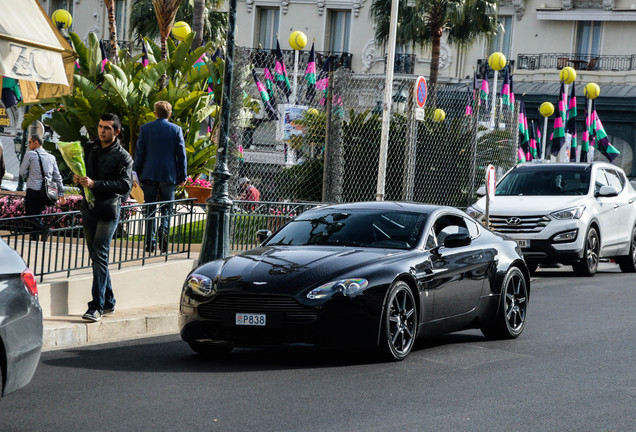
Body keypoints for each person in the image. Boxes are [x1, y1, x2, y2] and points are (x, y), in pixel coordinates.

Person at [74, 113, 133, 322]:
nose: (102, 130)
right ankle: (109, 301)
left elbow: (125, 186)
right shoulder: (90, 148)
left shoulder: (123, 157)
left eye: (107, 127)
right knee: (97, 257)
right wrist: (77, 179)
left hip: (108, 211)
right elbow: (82, 174)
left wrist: (95, 184)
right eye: (100, 126)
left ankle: (95, 306)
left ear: (116, 131)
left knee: (99, 253)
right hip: (89, 208)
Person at [134, 101, 186, 253]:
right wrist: (182, 176)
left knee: (149, 209)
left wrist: (135, 173)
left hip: (149, 174)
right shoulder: (176, 130)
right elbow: (181, 155)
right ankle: (163, 228)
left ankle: (150, 243)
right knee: (167, 208)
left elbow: (140, 154)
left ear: (155, 113)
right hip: (168, 175)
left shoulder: (145, 129)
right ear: (170, 114)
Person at [18, 134, 65, 239]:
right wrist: (61, 193)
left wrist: (29, 176)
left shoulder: (30, 154)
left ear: (36, 143)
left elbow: (22, 172)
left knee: (30, 215)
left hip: (33, 189)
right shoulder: (51, 157)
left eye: (30, 142)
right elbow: (58, 176)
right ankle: (34, 237)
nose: (28, 144)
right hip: (46, 192)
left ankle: (44, 229)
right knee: (38, 214)